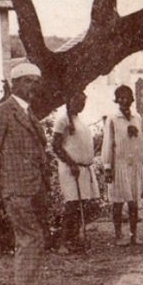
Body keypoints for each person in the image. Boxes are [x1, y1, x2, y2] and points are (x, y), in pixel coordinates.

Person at [0, 61, 52, 285]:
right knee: (30, 239)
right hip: (15, 189)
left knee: (34, 240)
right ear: (14, 84)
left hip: (34, 188)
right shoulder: (2, 112)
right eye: (27, 81)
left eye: (36, 81)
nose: (33, 87)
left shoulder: (29, 113)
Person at [51, 91, 100, 254]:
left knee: (81, 204)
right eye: (77, 101)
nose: (81, 104)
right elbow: (56, 146)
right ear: (69, 100)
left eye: (83, 101)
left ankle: (75, 238)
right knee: (72, 205)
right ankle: (64, 243)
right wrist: (71, 163)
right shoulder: (62, 120)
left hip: (83, 168)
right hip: (70, 169)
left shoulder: (79, 120)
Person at [102, 85, 143, 246]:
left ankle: (134, 235)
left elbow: (141, 143)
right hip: (118, 165)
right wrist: (107, 167)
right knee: (118, 201)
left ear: (131, 99)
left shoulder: (137, 117)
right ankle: (118, 235)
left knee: (133, 201)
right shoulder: (112, 119)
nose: (123, 100)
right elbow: (108, 144)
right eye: (119, 97)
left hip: (134, 165)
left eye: (126, 97)